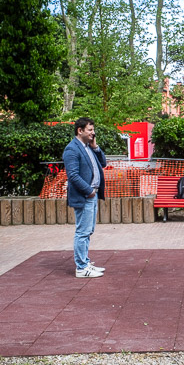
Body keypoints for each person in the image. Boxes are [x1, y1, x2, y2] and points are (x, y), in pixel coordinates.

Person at [63, 117, 107, 278]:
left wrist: (95, 147)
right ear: (79, 130)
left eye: (93, 130)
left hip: (91, 195)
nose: (93, 133)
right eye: (90, 130)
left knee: (88, 230)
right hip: (85, 196)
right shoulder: (72, 149)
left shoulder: (88, 147)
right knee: (82, 231)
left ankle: (85, 262)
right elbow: (73, 175)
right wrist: (89, 191)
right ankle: (81, 267)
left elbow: (103, 163)